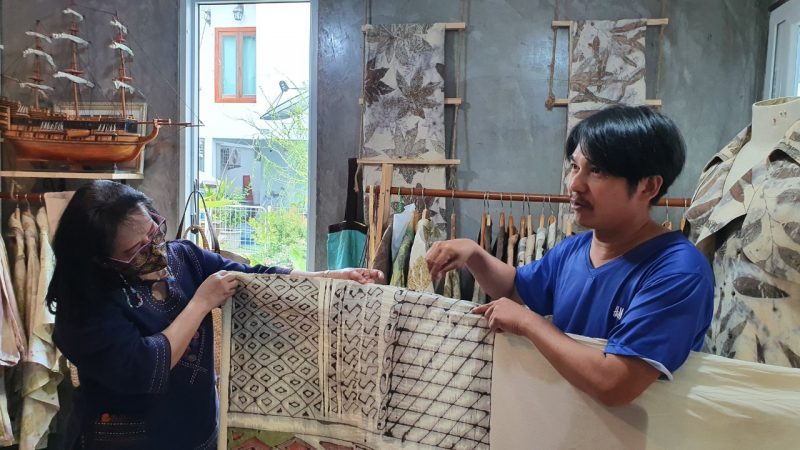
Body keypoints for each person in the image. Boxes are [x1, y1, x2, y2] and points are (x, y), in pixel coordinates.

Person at [47, 180, 383, 449]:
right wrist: (200, 303)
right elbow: (145, 368)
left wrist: (329, 278)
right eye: (137, 251)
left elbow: (253, 278)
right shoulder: (84, 310)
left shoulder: (183, 257)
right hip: (127, 440)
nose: (156, 251)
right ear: (99, 260)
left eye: (155, 232)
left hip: (199, 431)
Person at [426, 105, 713, 407]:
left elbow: (615, 384)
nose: (574, 184)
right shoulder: (574, 249)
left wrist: (528, 323)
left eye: (597, 170)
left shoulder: (678, 271)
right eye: (575, 167)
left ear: (648, 186)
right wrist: (474, 253)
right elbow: (514, 289)